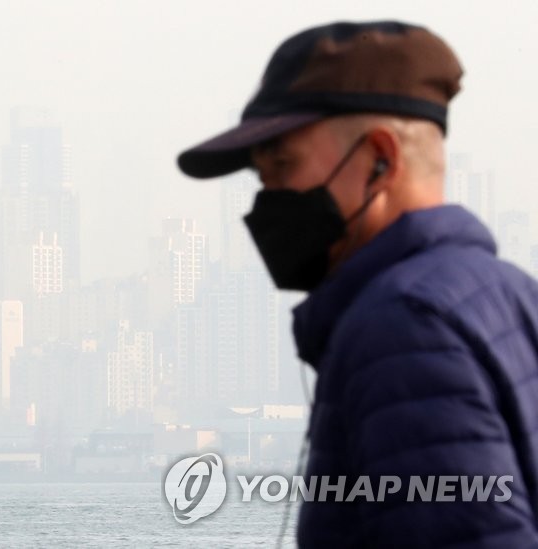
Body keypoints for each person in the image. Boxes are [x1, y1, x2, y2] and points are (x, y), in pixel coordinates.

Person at [177, 21, 538, 547]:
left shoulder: (402, 325)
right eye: (262, 178)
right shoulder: (511, 294)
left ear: (379, 160)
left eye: (283, 166)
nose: (268, 199)